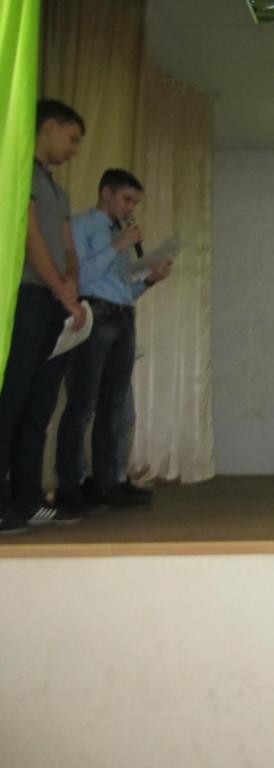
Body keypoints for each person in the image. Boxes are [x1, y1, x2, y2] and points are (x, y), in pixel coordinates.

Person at [55, 169, 171, 511]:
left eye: (135, 202)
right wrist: (119, 244)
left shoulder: (116, 235)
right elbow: (82, 277)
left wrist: (148, 281)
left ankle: (107, 482)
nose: (130, 207)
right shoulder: (81, 226)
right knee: (82, 404)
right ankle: (69, 485)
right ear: (106, 193)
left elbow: (120, 288)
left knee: (114, 405)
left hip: (122, 317)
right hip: (94, 315)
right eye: (127, 199)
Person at [0, 99, 87, 536]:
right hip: (29, 298)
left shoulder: (59, 190)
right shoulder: (20, 171)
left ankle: (28, 498)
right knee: (11, 401)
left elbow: (68, 245)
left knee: (39, 408)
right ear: (49, 127)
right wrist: (58, 286)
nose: (73, 149)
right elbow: (29, 233)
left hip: (55, 303)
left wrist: (71, 285)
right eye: (71, 138)